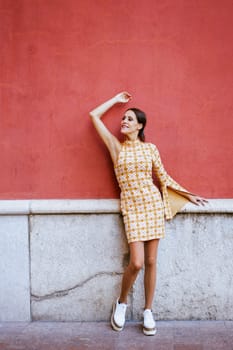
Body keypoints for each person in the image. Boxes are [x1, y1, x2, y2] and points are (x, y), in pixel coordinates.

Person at [89, 92, 207, 336]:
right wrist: (116, 100)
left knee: (152, 261)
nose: (124, 121)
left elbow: (162, 177)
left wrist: (188, 194)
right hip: (132, 208)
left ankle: (148, 311)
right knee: (137, 262)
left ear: (140, 125)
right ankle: (121, 303)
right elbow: (93, 115)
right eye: (123, 118)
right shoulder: (116, 147)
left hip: (152, 206)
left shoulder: (150, 149)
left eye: (129, 119)